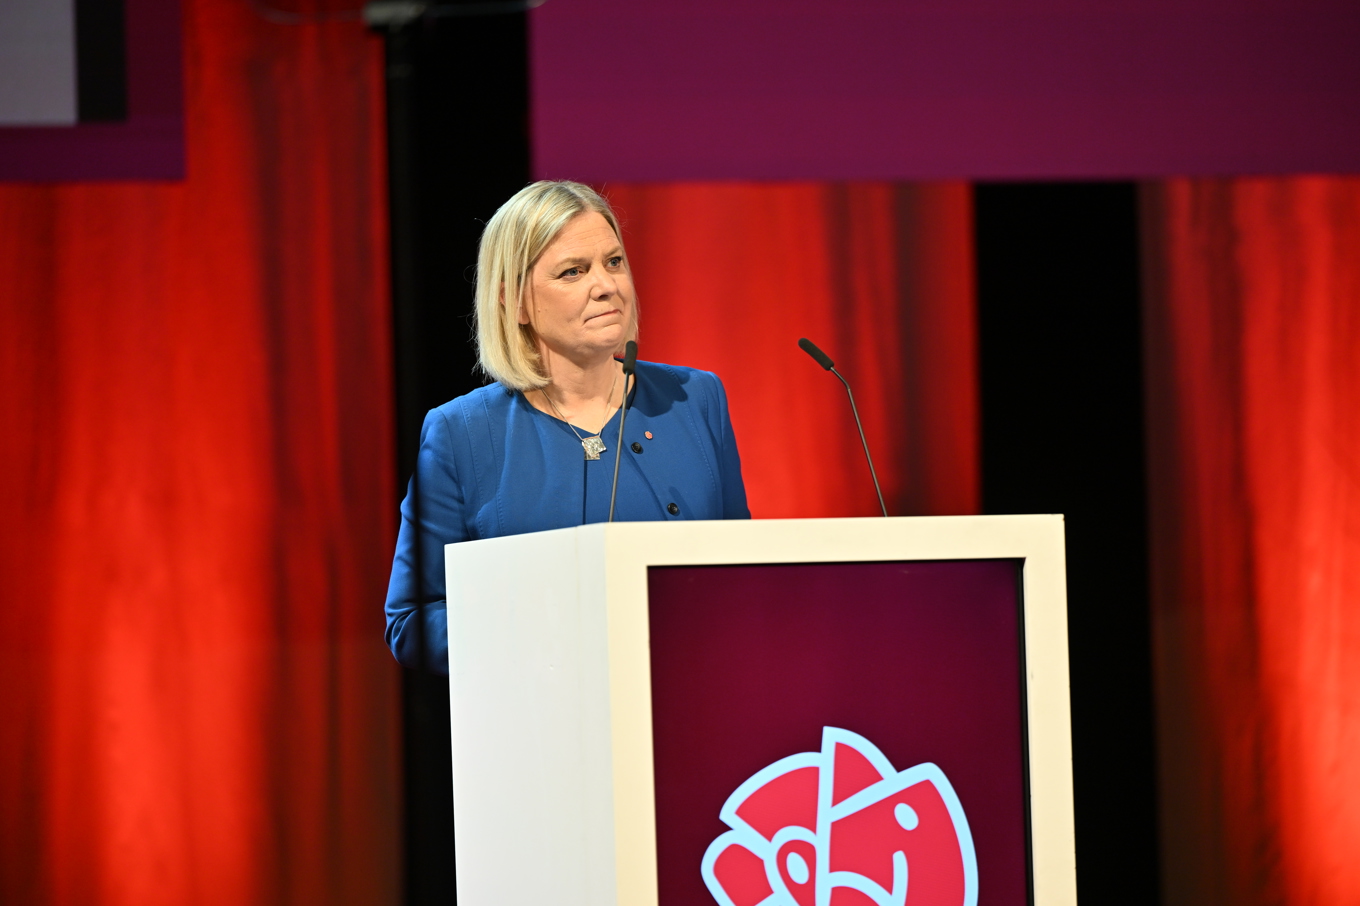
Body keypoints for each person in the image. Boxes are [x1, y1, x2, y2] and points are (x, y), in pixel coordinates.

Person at [384, 181, 750, 672]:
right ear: (514, 302)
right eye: (573, 271)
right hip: (542, 725)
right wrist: (543, 635)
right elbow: (412, 621)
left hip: (693, 704)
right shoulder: (461, 433)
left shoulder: (695, 400)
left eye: (614, 262)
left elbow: (747, 576)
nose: (606, 285)